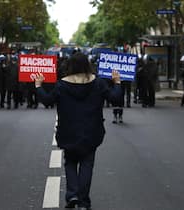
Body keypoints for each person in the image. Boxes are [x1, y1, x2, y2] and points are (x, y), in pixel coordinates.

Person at [34, 52, 122, 210]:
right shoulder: (99, 83)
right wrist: (117, 82)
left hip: (68, 131)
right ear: (87, 65)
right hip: (92, 131)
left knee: (70, 163)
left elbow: (47, 100)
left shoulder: (62, 85)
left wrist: (38, 85)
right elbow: (115, 98)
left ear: (70, 66)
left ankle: (73, 195)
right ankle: (83, 201)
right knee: (87, 165)